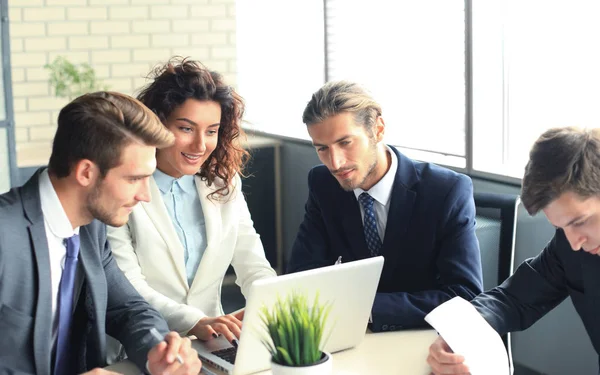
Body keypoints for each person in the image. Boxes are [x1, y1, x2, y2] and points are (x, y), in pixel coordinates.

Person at [0, 91, 202, 375]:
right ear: (85, 173)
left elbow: (129, 309)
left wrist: (160, 350)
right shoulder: (5, 234)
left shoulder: (89, 227)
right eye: (135, 179)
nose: (146, 195)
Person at [287, 80, 483, 332]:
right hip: (351, 338)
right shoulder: (323, 183)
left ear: (378, 129)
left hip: (423, 338)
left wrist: (364, 308)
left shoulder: (446, 191)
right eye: (322, 148)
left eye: (345, 142)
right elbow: (302, 275)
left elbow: (464, 295)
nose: (335, 163)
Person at [107, 58, 276, 347]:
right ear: (157, 124)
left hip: (213, 342)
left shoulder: (224, 182)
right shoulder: (122, 187)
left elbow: (252, 261)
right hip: (142, 346)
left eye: (211, 131)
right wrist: (193, 321)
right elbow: (127, 286)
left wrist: (270, 303)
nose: (200, 145)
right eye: (186, 128)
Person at [427, 127, 600, 374]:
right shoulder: (570, 245)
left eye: (579, 222)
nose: (574, 243)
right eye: (562, 227)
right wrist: (459, 334)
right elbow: (514, 298)